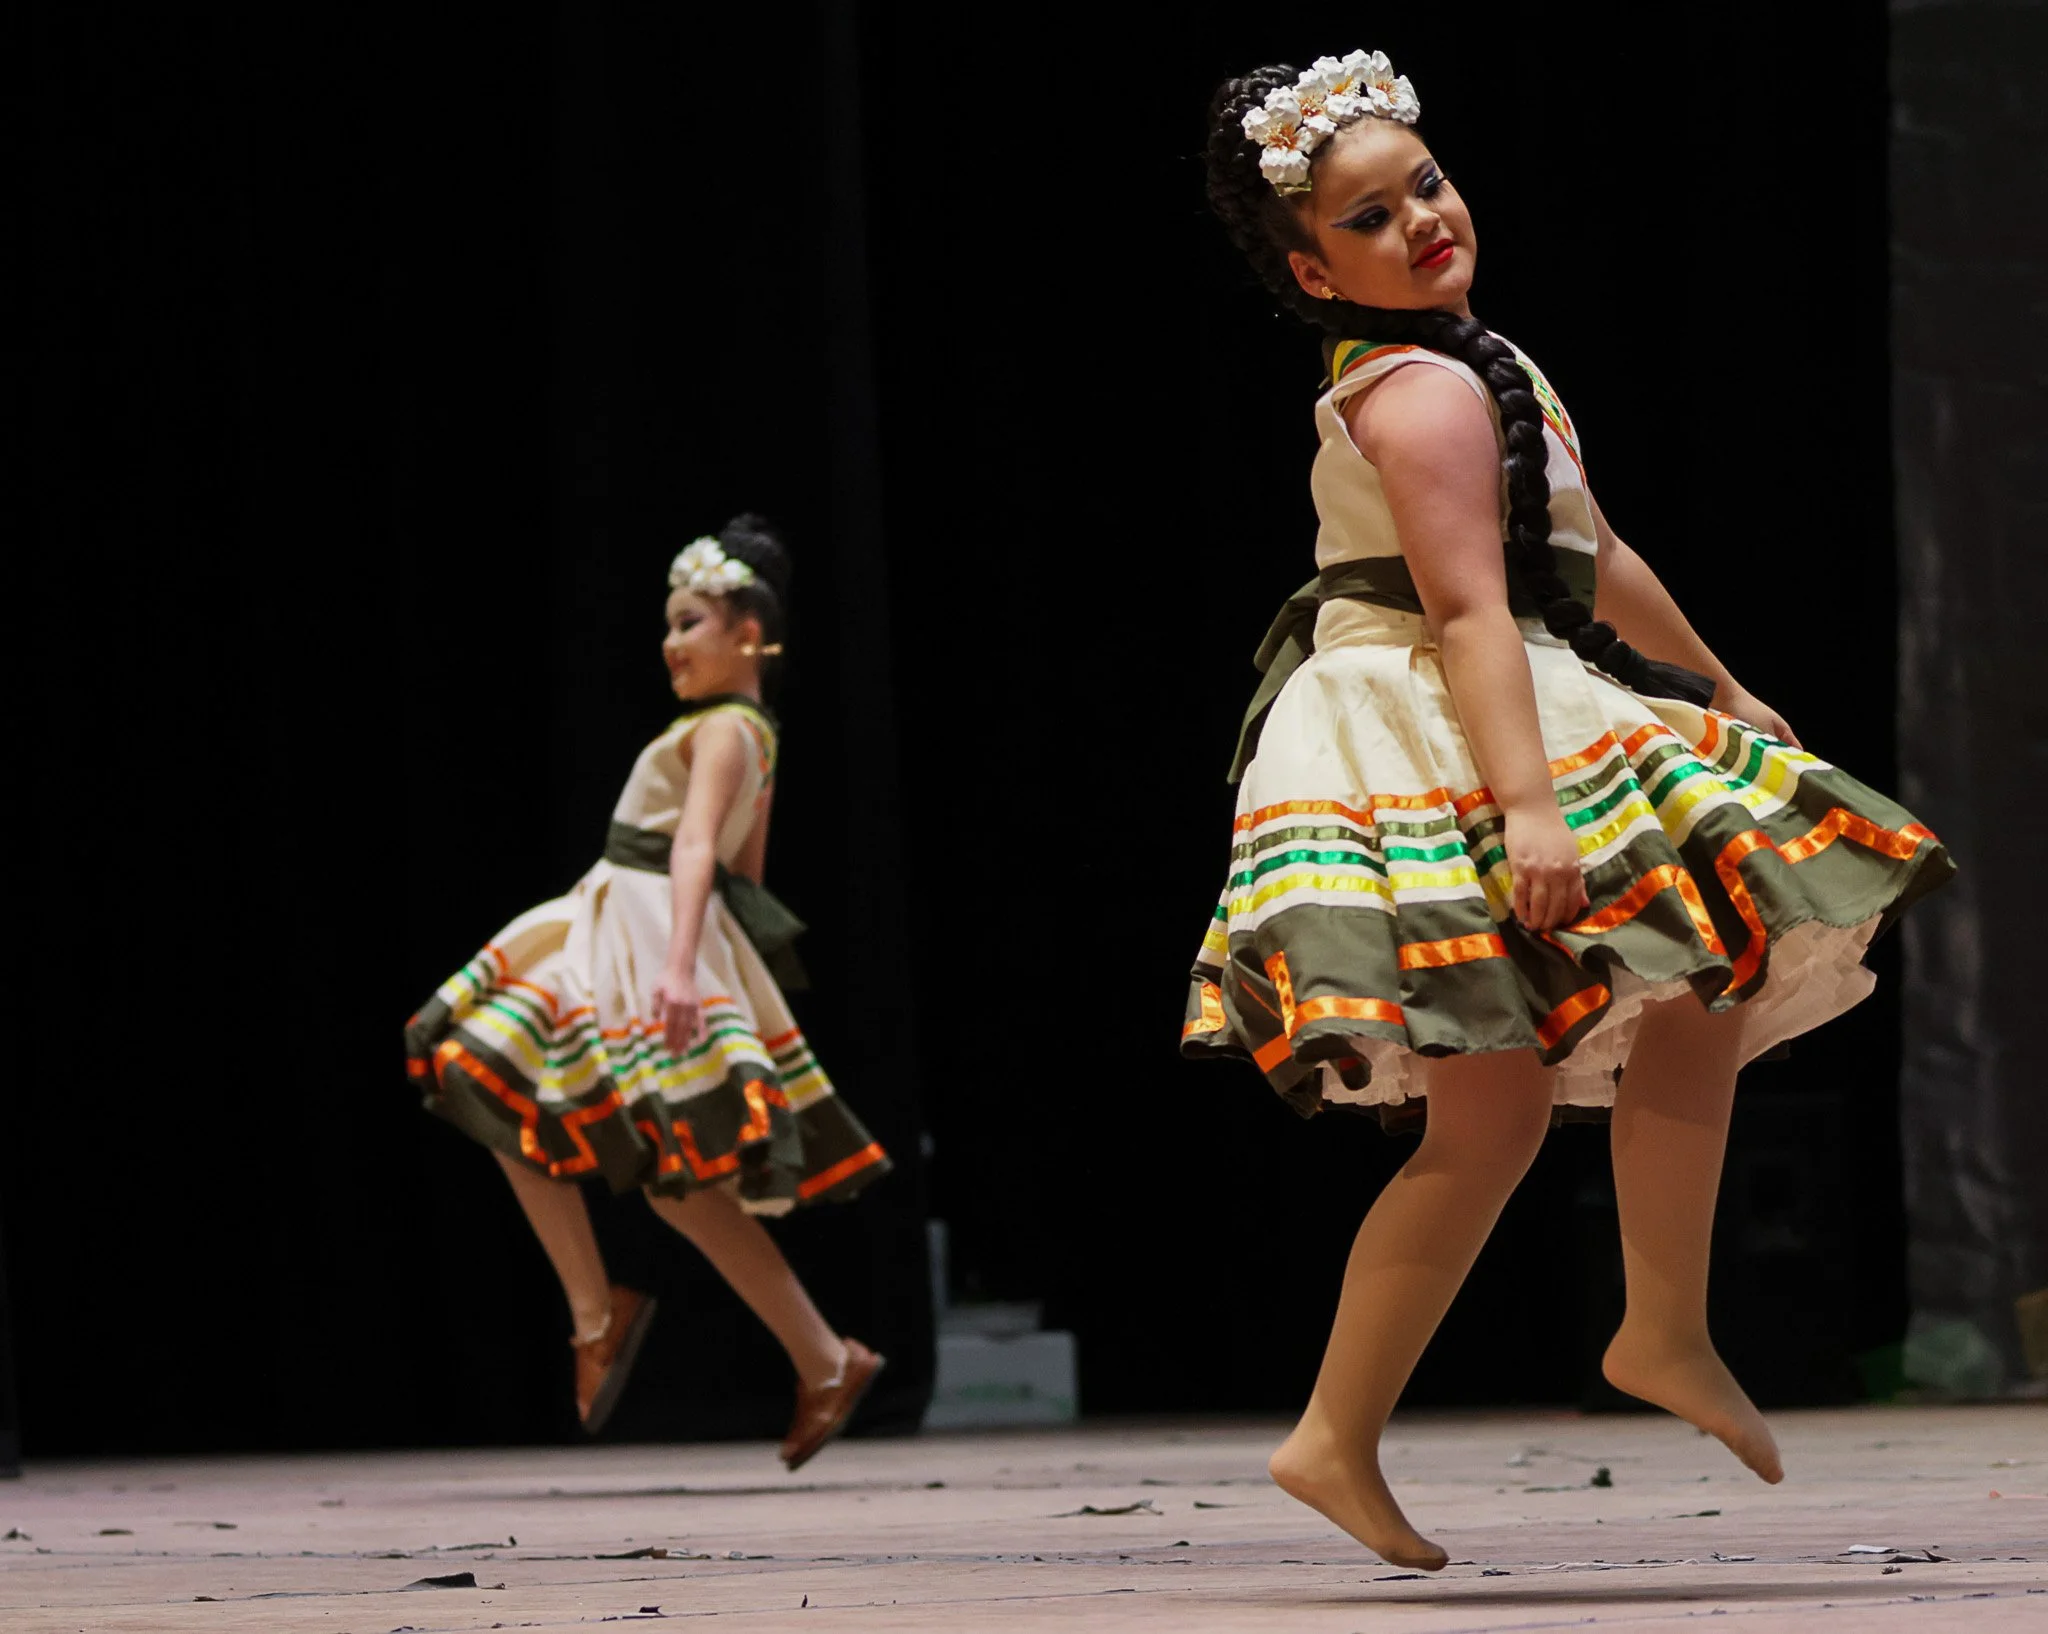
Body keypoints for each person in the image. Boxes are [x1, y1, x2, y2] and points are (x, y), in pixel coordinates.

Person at [1184, 52, 1953, 1569]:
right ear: (1307, 263)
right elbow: (1472, 610)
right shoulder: (1409, 391)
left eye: (1427, 185)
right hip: (1439, 713)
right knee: (1653, 989)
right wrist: (1532, 814)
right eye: (1371, 214)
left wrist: (1717, 685)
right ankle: (1622, 1332)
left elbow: (1586, 558)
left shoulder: (1477, 361)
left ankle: (1410, 1407)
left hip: (1505, 682)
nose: (1422, 220)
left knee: (1542, 1082)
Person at [406, 514, 889, 1470]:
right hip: (626, 923)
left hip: (640, 934)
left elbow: (700, 849)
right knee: (660, 1175)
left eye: (691, 622)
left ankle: (609, 1315)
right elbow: (747, 869)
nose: (671, 642)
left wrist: (678, 970)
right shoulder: (752, 732)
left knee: (489, 1071)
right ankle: (818, 1357)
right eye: (669, 624)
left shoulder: (723, 727)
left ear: (748, 632)